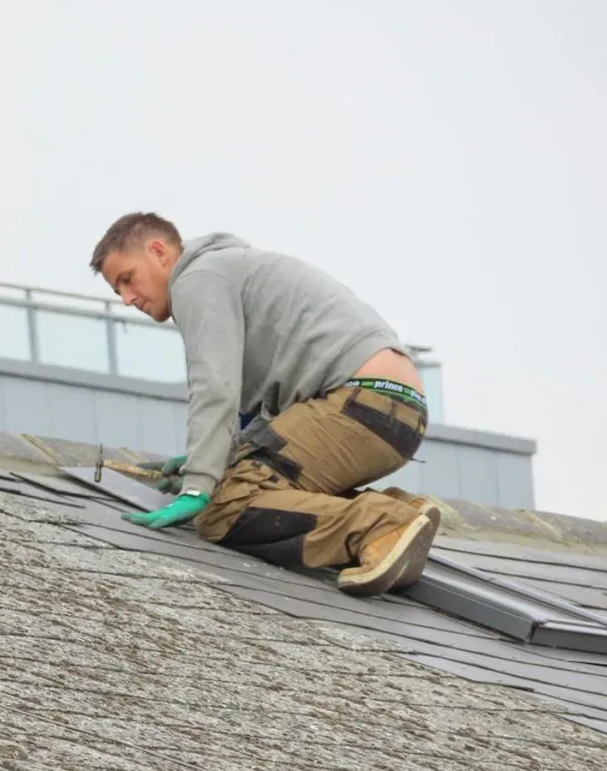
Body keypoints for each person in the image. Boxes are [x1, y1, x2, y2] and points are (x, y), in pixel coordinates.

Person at [90, 212, 443, 597]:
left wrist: (198, 487)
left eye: (127, 278)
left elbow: (215, 386)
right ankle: (402, 514)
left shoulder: (197, 279)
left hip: (360, 402)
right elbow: (250, 414)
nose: (127, 299)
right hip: (397, 410)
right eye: (116, 291)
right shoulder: (231, 271)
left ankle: (379, 525)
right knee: (247, 480)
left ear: (158, 252)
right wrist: (213, 460)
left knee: (225, 507)